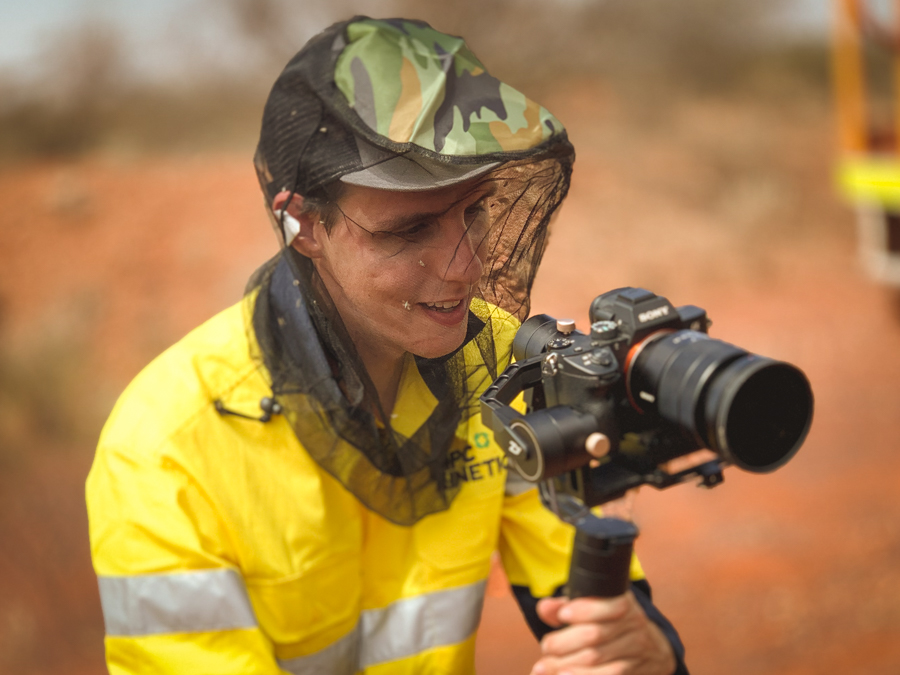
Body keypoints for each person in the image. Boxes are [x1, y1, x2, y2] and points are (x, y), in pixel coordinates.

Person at [86, 17, 688, 675]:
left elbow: (591, 597)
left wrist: (647, 651)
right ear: (306, 225)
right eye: (409, 231)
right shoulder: (167, 451)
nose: (464, 267)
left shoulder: (502, 369)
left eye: (474, 211)